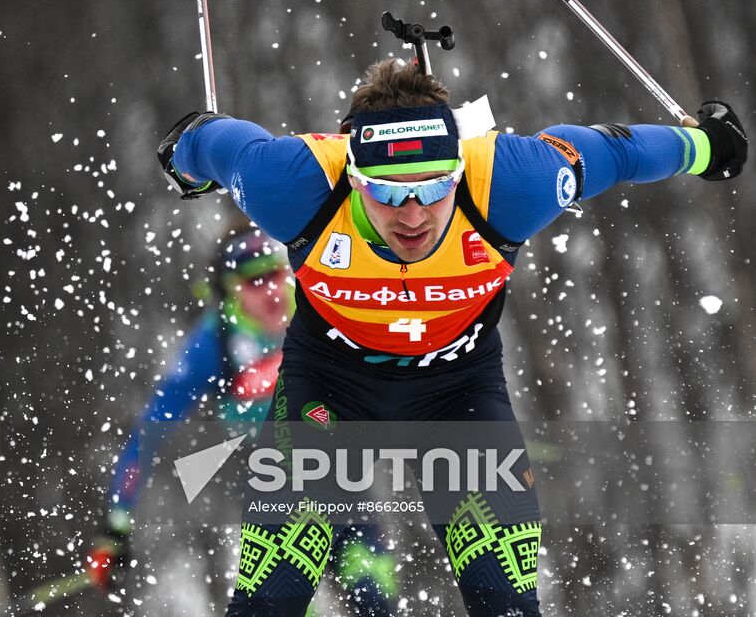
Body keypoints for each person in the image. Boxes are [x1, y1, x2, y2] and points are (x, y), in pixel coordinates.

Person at [157, 58, 747, 617]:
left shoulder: (512, 181)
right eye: (387, 191)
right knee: (270, 604)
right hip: (329, 395)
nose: (412, 214)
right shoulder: (295, 184)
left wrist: (704, 147)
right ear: (354, 176)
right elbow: (214, 143)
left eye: (434, 187)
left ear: (460, 168)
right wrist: (186, 151)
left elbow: (617, 153)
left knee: (507, 605)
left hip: (456, 395)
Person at [85, 222, 399, 616]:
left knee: (372, 597)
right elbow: (147, 436)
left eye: (275, 274)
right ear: (228, 293)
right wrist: (115, 527)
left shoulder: (318, 304)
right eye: (253, 282)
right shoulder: (213, 344)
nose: (271, 292)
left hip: (346, 483)